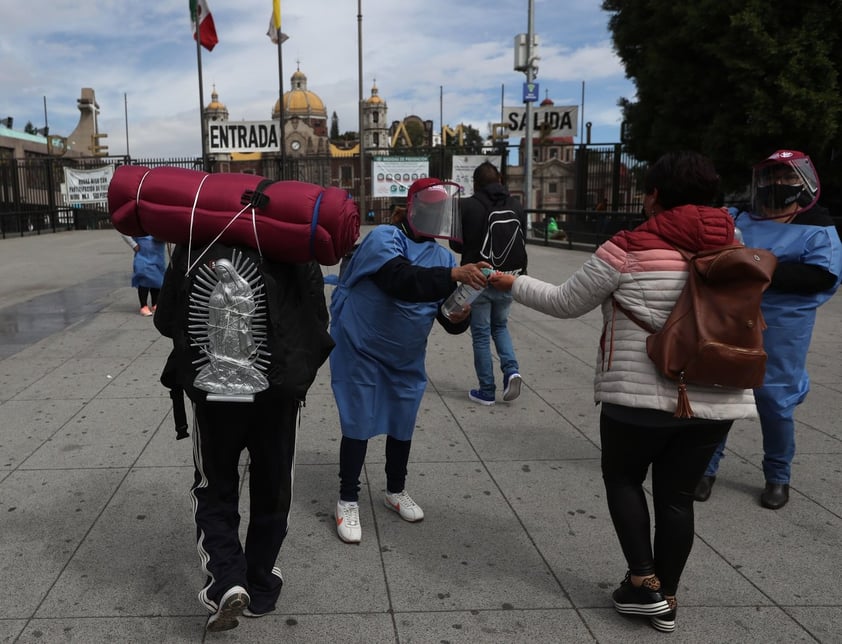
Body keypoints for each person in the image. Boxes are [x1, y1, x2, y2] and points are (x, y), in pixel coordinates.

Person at [489, 151, 758, 634]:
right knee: (677, 499)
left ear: (653, 195)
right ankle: (667, 598)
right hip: (716, 394)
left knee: (624, 479)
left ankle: (643, 582)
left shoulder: (628, 246)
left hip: (637, 395)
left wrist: (511, 282)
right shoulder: (736, 245)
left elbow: (565, 302)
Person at [154, 242, 334, 631]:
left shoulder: (192, 243)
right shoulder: (292, 240)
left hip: (214, 395)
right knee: (274, 488)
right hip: (278, 392)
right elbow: (318, 318)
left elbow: (166, 318)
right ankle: (261, 584)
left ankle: (226, 580)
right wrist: (295, 376)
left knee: (214, 487)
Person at [330, 178, 491, 544]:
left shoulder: (441, 257)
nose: (437, 217)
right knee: (358, 420)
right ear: (416, 208)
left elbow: (444, 315)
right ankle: (348, 498)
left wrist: (458, 315)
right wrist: (452, 276)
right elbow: (398, 279)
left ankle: (395, 489)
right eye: (431, 209)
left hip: (404, 356)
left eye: (442, 211)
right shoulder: (385, 237)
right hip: (361, 348)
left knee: (402, 421)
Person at [695, 150, 842, 509]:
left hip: (784, 330)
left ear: (805, 181)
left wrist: (755, 265)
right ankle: (706, 469)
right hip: (731, 320)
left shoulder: (819, 229)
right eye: (772, 176)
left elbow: (821, 276)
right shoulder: (737, 217)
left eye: (787, 177)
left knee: (775, 403)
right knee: (723, 395)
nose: (778, 184)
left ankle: (778, 476)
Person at [450, 161, 527, 405]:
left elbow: (456, 244)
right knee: (500, 327)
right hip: (507, 278)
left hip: (478, 278)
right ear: (500, 180)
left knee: (481, 335)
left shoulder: (467, 206)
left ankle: (486, 389)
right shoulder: (516, 205)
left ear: (476, 184)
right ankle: (511, 371)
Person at [120, 233, 166, 316]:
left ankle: (155, 303)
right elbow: (124, 231)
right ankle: (143, 305)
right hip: (143, 253)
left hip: (158, 252)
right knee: (145, 277)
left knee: (157, 278)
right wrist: (133, 244)